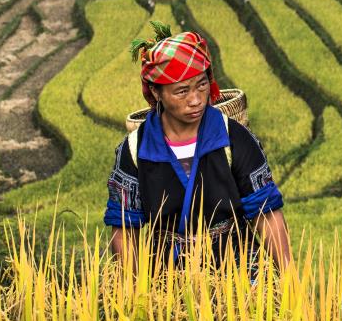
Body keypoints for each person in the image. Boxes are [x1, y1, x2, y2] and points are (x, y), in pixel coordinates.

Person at [104, 25, 291, 272]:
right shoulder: (135, 149)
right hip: (168, 277)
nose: (196, 99)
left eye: (202, 85)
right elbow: (125, 228)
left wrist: (290, 282)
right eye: (182, 91)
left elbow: (266, 214)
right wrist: (136, 295)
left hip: (238, 269)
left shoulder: (233, 137)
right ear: (156, 92)